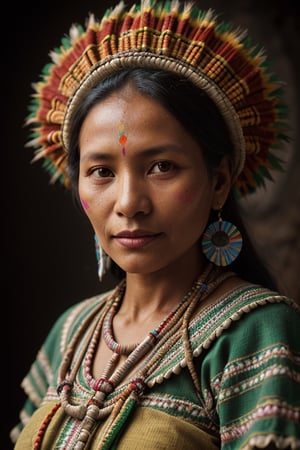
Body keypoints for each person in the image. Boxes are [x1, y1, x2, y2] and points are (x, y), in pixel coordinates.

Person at [11, 1, 300, 449]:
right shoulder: (70, 335)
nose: (129, 203)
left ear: (219, 181)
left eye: (162, 166)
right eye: (101, 171)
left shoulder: (253, 332)